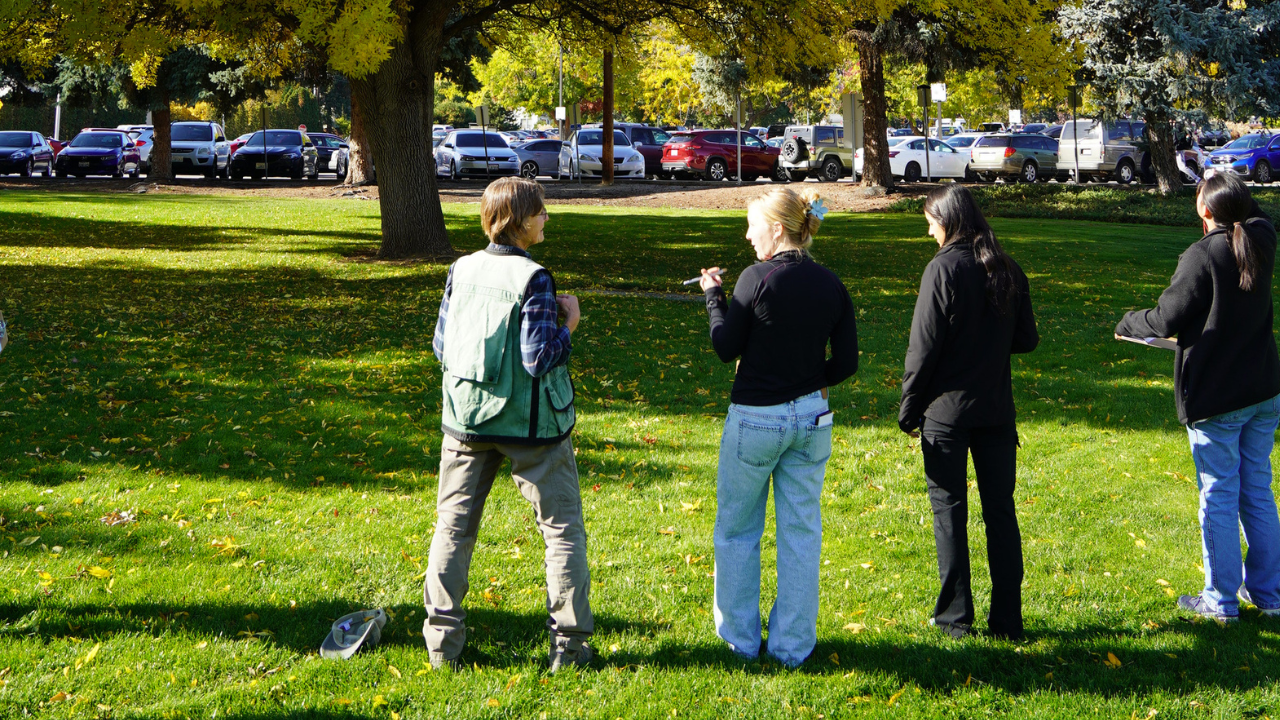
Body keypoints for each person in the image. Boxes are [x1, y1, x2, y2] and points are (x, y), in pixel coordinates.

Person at [426, 176, 593, 671]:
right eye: (540, 211)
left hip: (464, 422)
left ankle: (442, 649)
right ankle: (571, 649)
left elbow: (441, 345)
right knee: (562, 532)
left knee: (452, 531)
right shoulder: (535, 278)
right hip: (533, 431)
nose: (546, 218)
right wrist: (570, 326)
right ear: (519, 221)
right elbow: (539, 357)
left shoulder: (460, 268)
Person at [699, 187, 859, 667]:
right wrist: (809, 382)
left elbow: (727, 346)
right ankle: (792, 647)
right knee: (801, 531)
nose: (747, 236)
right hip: (812, 418)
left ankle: (741, 642)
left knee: (737, 529)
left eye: (752, 225)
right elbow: (847, 363)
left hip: (756, 419)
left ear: (776, 228)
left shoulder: (756, 278)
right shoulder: (831, 283)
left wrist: (712, 298)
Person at [1115, 173, 1280, 623]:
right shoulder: (1261, 237)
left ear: (1205, 211)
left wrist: (1128, 321)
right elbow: (1256, 213)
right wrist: (1225, 187)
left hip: (1218, 399)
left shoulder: (1204, 254)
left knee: (1220, 495)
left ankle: (1221, 602)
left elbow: (1166, 318)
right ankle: (1269, 595)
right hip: (1263, 391)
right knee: (1257, 491)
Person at [899, 184, 1038, 640]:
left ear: (948, 220)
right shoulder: (1007, 266)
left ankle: (955, 618)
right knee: (1000, 512)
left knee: (949, 514)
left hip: (948, 414)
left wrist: (909, 408)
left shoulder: (942, 270)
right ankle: (1008, 620)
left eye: (931, 222)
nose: (929, 231)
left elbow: (923, 349)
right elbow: (1027, 339)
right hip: (996, 410)